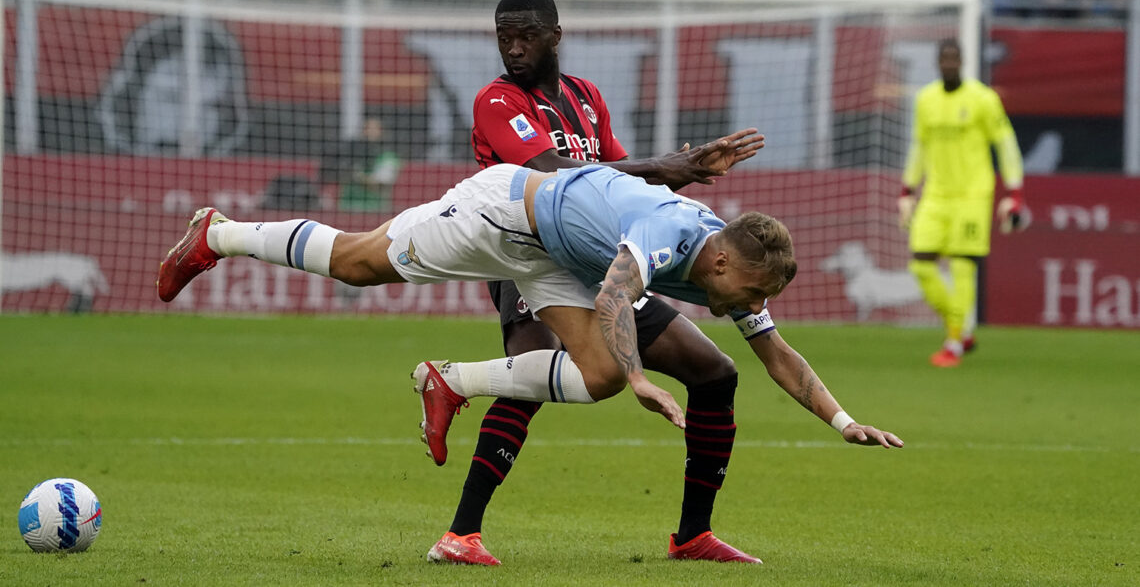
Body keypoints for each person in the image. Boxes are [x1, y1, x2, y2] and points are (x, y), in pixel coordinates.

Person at [157, 164, 905, 562]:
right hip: (500, 215)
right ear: (722, 260)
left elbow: (775, 349)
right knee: (358, 262)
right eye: (755, 289)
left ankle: (452, 380)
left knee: (601, 377)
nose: (754, 303)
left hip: (552, 252)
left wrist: (842, 420)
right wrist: (645, 376)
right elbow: (616, 297)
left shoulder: (726, 264)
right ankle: (219, 235)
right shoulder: (669, 235)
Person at [445, 0, 766, 567]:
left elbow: (617, 179)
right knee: (533, 377)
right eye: (504, 38)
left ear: (556, 37)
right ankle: (461, 533)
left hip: (599, 260)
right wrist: (663, 165)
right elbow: (549, 172)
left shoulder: (585, 96)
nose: (513, 49)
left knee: (715, 373)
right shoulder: (495, 101)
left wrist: (685, 170)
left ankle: (693, 535)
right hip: (527, 254)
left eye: (526, 37)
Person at [898, 39, 1028, 368]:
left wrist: (1014, 194)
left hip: (972, 195)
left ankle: (954, 341)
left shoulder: (983, 99)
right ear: (937, 62)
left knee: (961, 266)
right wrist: (907, 190)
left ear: (963, 61)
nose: (949, 63)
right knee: (920, 266)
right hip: (936, 194)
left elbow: (1006, 144)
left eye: (955, 58)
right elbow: (919, 147)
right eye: (945, 58)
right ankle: (962, 328)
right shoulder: (926, 99)